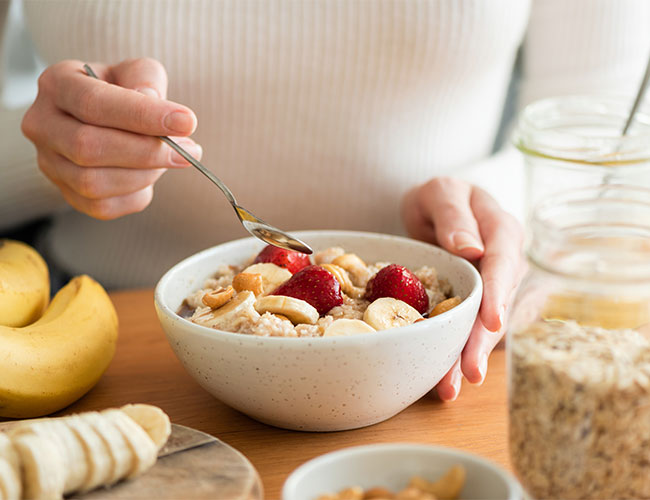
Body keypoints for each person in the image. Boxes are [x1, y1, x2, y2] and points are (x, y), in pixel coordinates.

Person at [2, 0, 648, 402]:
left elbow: (611, 128)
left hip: (430, 360)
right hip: (105, 349)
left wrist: (493, 204)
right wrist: (46, 153)